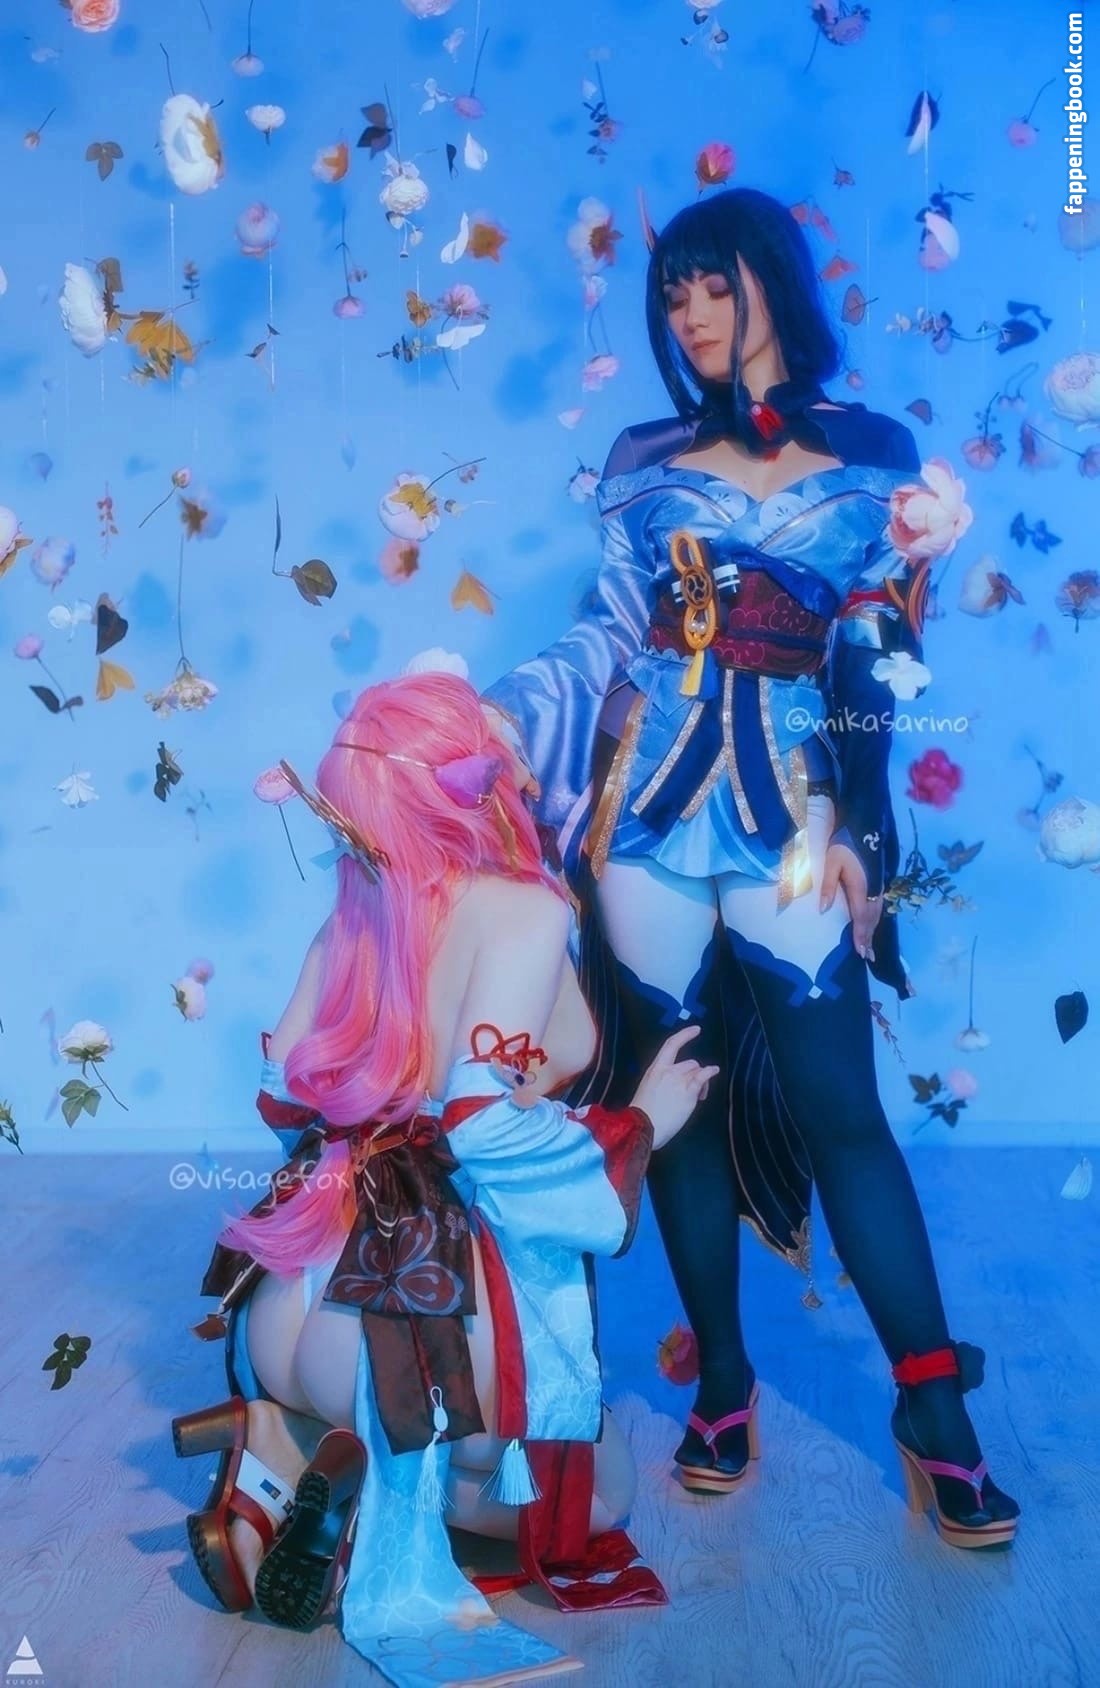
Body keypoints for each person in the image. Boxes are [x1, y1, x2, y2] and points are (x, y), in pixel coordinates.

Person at [482, 186, 1019, 1549]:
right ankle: (721, 1382)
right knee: (679, 1098)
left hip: (793, 814)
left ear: (770, 278)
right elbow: (608, 633)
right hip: (646, 817)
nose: (690, 313)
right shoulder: (643, 454)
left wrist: (863, 829)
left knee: (843, 1109)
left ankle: (932, 1409)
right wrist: (498, 719)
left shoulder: (877, 453)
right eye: (671, 294)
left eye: (712, 283)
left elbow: (879, 657)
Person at [173, 671, 719, 1687]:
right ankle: (363, 1513)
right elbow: (481, 1126)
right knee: (598, 1499)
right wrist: (643, 1122)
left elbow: (283, 1089)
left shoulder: (357, 908)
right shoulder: (521, 910)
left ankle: (283, 1442)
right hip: (406, 1313)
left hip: (292, 1298)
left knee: (475, 1445)